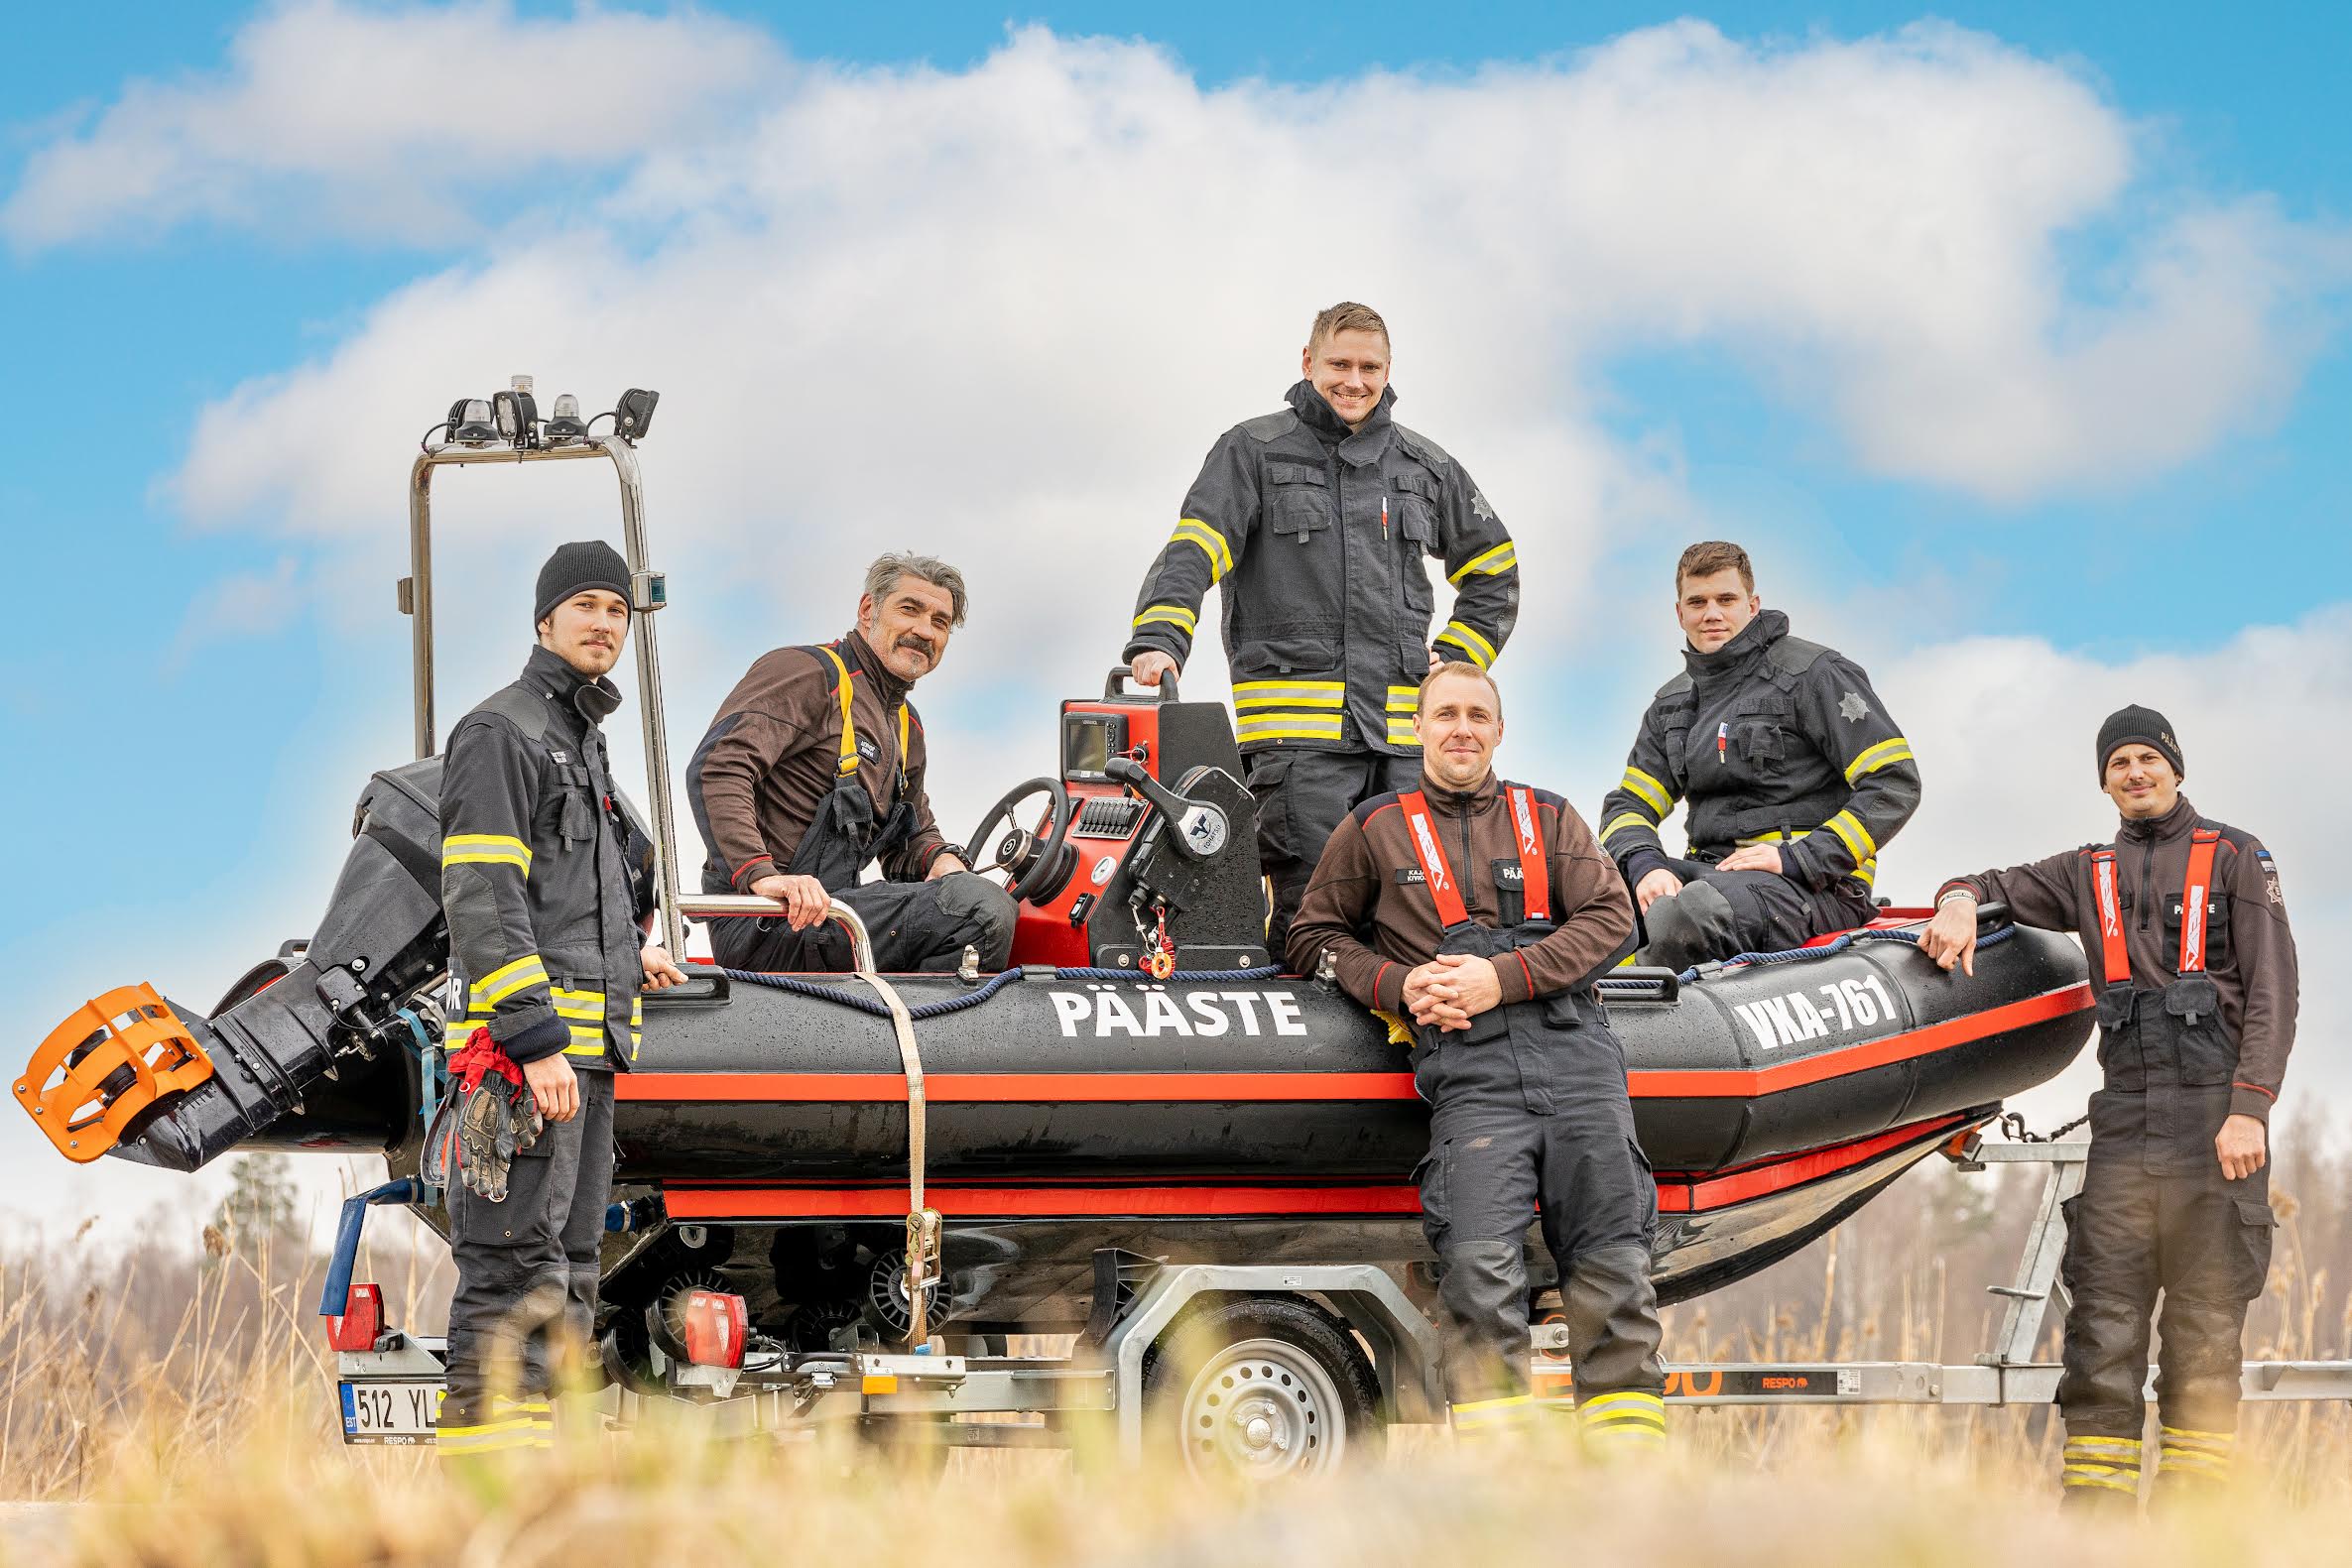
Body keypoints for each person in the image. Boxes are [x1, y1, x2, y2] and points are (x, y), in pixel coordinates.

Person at [1921, 707, 2296, 1508]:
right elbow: (1991, 885)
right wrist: (1955, 898)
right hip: (2122, 1129)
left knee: (2201, 1339)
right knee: (2101, 1336)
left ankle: (2193, 1535)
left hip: (2213, 1130)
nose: (2133, 772)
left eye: (2146, 758)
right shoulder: (2082, 869)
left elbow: (2273, 992)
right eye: (2117, 761)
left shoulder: (2236, 855)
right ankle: (2093, 1527)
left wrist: (2250, 1108)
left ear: (2175, 768)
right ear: (2104, 779)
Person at [1288, 663, 1666, 1453]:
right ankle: (1503, 1484)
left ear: (1498, 730)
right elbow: (1310, 937)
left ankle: (1629, 1481)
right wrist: (1393, 983)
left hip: (1578, 1066)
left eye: (1478, 715)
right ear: (1418, 728)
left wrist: (1503, 976)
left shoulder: (1550, 818)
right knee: (1477, 1276)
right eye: (1446, 714)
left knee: (1612, 1278)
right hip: (1472, 1081)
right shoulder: (1372, 828)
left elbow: (1612, 920)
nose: (1462, 728)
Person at [1123, 301, 1520, 954]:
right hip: (1296, 753)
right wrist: (1160, 639)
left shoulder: (1424, 465)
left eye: (1369, 366)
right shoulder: (1252, 450)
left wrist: (1450, 663)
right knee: (1311, 914)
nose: (1354, 380)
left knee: (1419, 914)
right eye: (1339, 364)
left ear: (1388, 370)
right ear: (1308, 363)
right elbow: (1193, 548)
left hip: (1401, 748)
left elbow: (1494, 571)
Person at [435, 541, 687, 1461]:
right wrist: (535, 1041)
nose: (604, 623)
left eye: (617, 610)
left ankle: (550, 1485)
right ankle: (486, 1490)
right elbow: (483, 898)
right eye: (585, 605)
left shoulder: (578, 735)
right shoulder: (500, 732)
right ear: (545, 620)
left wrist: (640, 948)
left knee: (570, 1268)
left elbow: (602, 879)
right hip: (524, 1060)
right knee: (509, 1265)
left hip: (586, 1058)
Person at [1597, 541, 1919, 970]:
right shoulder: (1670, 704)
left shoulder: (1814, 674)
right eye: (1697, 602)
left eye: (1725, 599)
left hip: (1815, 886)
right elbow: (1630, 804)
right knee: (1587, 897)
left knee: (1686, 914)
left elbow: (1894, 782)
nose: (1711, 613)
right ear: (1680, 614)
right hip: (1709, 877)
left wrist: (1798, 858)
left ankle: (1634, 1022)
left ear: (1753, 605)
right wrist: (1645, 866)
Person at [687, 552, 1016, 972]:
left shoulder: (905, 726)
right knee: (980, 911)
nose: (923, 630)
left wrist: (941, 860)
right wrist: (761, 877)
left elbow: (910, 832)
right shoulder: (807, 673)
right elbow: (718, 767)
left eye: (940, 621)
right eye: (910, 610)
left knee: (974, 895)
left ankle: (896, 1029)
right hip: (766, 921)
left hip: (830, 915)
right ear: (867, 611)